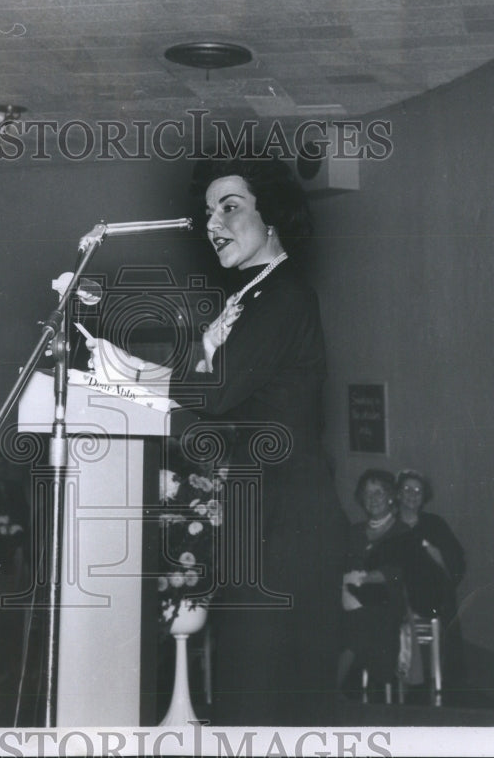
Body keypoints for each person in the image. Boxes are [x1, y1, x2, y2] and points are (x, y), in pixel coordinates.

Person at [88, 156, 348, 725]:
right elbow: (214, 408)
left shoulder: (284, 296)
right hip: (263, 514)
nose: (213, 223)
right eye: (208, 212)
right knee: (251, 688)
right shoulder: (254, 296)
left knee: (269, 695)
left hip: (289, 523)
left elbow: (216, 391)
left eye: (230, 207)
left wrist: (127, 373)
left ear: (273, 214)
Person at [336, 469, 412, 697]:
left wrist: (362, 579)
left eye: (378, 493)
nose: (373, 499)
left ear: (390, 497)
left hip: (387, 600)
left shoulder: (402, 531)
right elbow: (339, 565)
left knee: (362, 619)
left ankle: (331, 688)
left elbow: (396, 572)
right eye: (367, 494)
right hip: (350, 596)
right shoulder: (354, 531)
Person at [395, 469, 467, 686]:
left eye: (418, 490)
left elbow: (456, 562)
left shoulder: (435, 524)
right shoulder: (388, 522)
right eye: (407, 489)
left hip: (429, 594)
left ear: (424, 497)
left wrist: (436, 555)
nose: (412, 494)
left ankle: (429, 675)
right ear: (398, 493)